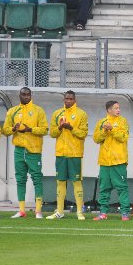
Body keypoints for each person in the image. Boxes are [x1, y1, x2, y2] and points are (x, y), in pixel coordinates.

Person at [3, 87, 48, 219]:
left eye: (28, 94)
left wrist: (29, 129)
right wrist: (13, 129)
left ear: (31, 95)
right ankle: (21, 210)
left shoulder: (38, 110)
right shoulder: (12, 111)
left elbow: (45, 130)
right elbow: (5, 130)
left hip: (34, 149)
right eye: (23, 94)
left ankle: (38, 210)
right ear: (19, 96)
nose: (26, 96)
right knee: (20, 179)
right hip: (19, 149)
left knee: (37, 178)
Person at [48, 90, 88, 220]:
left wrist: (71, 128)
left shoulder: (81, 114)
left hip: (75, 154)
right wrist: (60, 128)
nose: (68, 101)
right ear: (64, 100)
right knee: (60, 182)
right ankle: (59, 211)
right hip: (60, 153)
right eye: (66, 99)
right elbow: (52, 134)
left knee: (76, 182)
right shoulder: (57, 114)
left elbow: (83, 134)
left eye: (71, 99)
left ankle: (79, 212)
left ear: (75, 100)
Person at [92, 100, 131, 221]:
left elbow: (124, 137)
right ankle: (103, 213)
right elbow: (96, 139)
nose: (118, 110)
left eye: (119, 108)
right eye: (116, 108)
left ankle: (125, 212)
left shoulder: (122, 121)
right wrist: (104, 131)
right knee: (104, 188)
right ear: (109, 110)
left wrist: (112, 130)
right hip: (104, 161)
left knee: (122, 187)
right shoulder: (101, 122)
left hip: (118, 160)